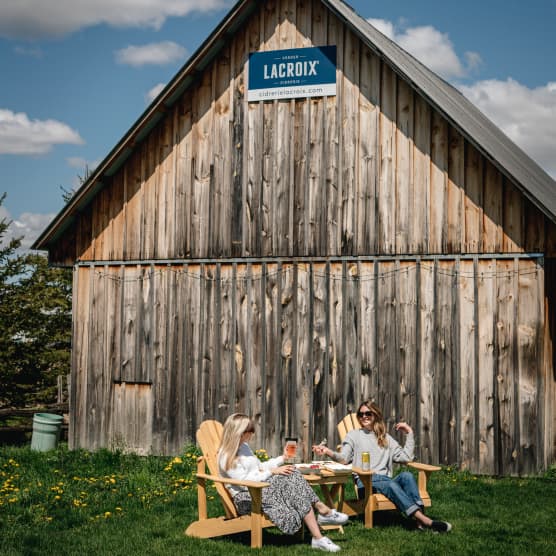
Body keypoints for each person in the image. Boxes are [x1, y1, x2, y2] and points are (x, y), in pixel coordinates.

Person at [312, 401, 452, 533]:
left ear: (376, 415)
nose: (364, 417)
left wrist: (409, 433)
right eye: (361, 414)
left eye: (368, 413)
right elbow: (343, 459)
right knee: (391, 485)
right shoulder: (353, 435)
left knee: (407, 476)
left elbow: (405, 458)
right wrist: (328, 451)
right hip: (366, 482)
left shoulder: (385, 438)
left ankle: (419, 522)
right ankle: (425, 520)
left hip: (385, 480)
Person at [218, 413, 348, 552]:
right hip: (246, 497)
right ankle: (322, 515)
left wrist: (282, 458)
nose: (251, 434)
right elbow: (243, 482)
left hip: (261, 488)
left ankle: (319, 532)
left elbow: (260, 467)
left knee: (291, 473)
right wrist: (272, 472)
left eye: (251, 430)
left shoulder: (243, 446)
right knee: (291, 482)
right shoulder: (226, 455)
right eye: (249, 431)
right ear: (238, 432)